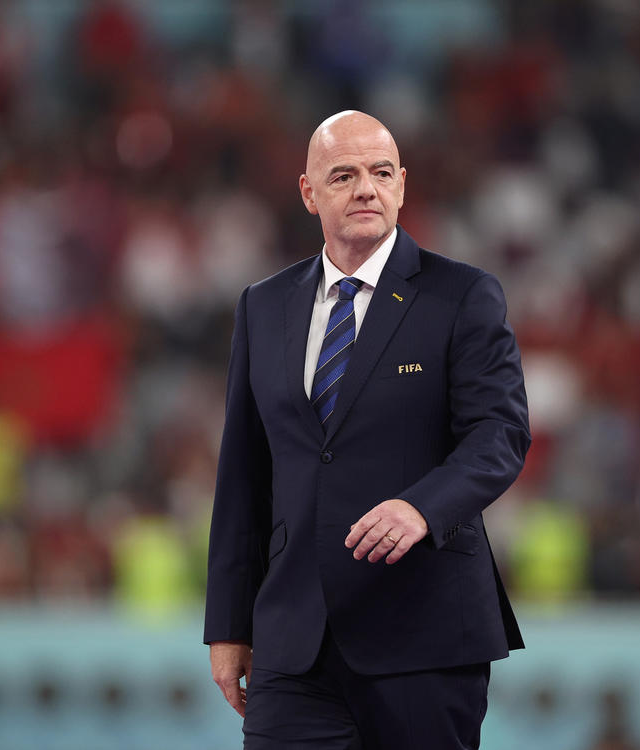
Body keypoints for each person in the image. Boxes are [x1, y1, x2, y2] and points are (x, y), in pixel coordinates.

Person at [204, 110, 531, 749]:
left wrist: (422, 506)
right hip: (294, 643)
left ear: (402, 185)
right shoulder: (262, 306)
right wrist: (227, 625)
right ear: (308, 192)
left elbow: (500, 433)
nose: (365, 189)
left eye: (381, 173)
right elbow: (243, 473)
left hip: (424, 633)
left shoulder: (462, 295)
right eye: (344, 175)